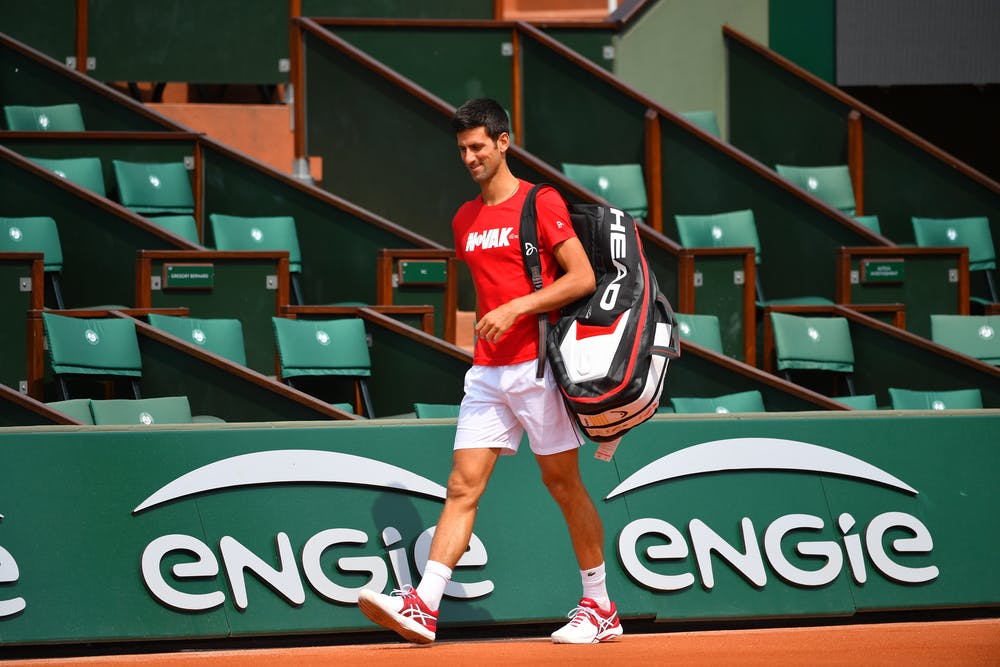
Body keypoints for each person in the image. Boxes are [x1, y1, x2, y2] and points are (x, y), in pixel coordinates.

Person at [357, 98, 623, 645]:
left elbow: (581, 280)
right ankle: (424, 606)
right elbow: (489, 287)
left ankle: (599, 606)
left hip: (539, 368)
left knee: (562, 483)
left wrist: (517, 308)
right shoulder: (464, 218)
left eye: (479, 146)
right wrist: (492, 321)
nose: (470, 156)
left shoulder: (539, 201)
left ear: (504, 143)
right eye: (462, 149)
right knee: (461, 487)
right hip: (487, 373)